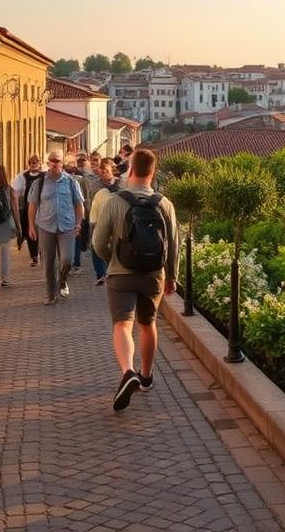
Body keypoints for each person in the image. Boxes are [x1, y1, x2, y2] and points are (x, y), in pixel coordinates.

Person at [92, 147, 179, 411]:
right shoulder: (164, 203)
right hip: (153, 275)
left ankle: (128, 370)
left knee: (122, 325)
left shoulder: (115, 201)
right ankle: (146, 376)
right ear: (152, 172)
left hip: (121, 274)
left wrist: (112, 259)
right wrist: (172, 277)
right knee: (147, 324)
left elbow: (97, 242)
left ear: (130, 170)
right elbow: (174, 244)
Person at [27, 149, 85, 305]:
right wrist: (31, 226)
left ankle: (63, 280)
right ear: (48, 163)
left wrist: (79, 222)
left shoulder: (72, 182)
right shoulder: (39, 183)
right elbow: (32, 205)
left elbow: (79, 205)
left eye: (57, 161)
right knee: (48, 263)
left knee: (67, 259)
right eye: (51, 160)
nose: (54, 163)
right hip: (46, 226)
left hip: (67, 226)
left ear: (62, 163)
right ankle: (51, 295)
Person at [88, 158, 120, 286]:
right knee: (96, 245)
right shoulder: (95, 186)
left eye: (106, 171)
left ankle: (111, 271)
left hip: (117, 221)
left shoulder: (121, 185)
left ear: (112, 170)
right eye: (101, 173)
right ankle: (100, 274)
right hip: (99, 219)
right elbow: (91, 202)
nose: (103, 175)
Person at [12, 155, 44, 266]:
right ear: (28, 164)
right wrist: (16, 208)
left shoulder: (45, 176)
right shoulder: (22, 177)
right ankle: (34, 256)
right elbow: (15, 193)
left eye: (35, 162)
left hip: (44, 208)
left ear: (40, 163)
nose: (33, 165)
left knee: (43, 232)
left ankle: (42, 253)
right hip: (29, 208)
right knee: (31, 232)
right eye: (31, 163)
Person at [72, 153, 96, 273]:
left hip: (78, 213)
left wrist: (86, 211)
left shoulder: (82, 179)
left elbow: (86, 197)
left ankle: (76, 262)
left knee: (77, 238)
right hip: (70, 214)